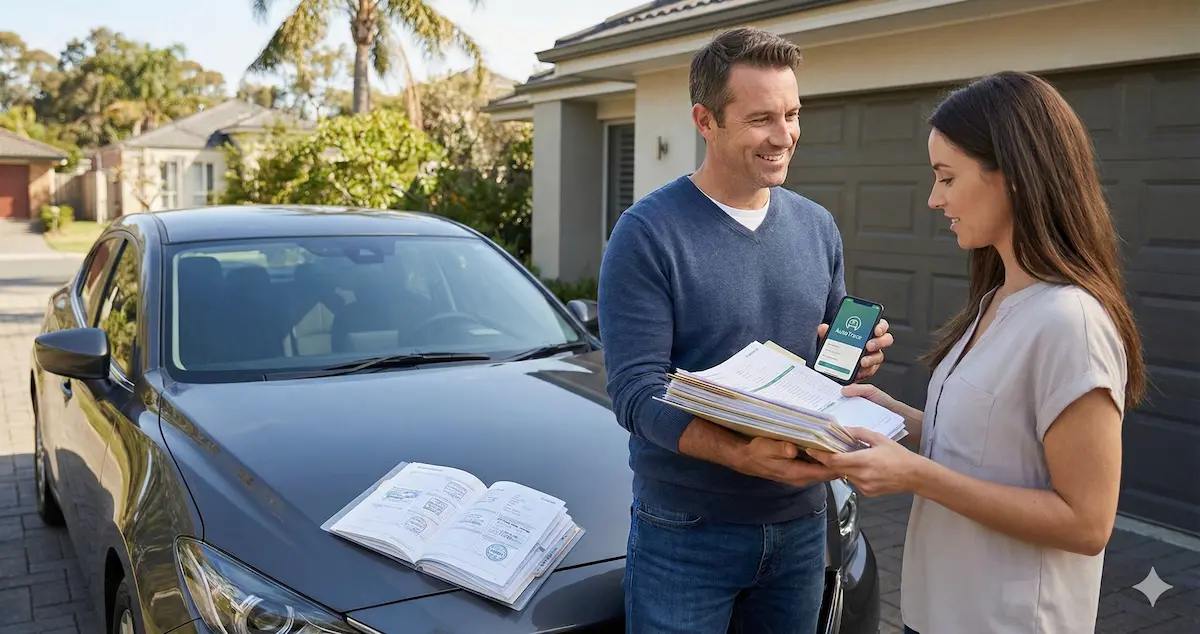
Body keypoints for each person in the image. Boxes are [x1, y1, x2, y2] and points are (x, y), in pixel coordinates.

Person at [807, 71, 1147, 634]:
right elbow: (989, 444)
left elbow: (1087, 523)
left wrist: (917, 476)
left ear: (1012, 175)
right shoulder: (998, 299)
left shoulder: (1072, 322)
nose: (934, 198)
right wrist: (895, 418)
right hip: (937, 612)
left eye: (947, 177)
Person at [598, 27, 895, 634]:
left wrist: (854, 356)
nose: (784, 136)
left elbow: (824, 357)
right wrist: (740, 454)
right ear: (704, 121)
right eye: (761, 119)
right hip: (688, 531)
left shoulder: (817, 226)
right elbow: (634, 390)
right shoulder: (647, 233)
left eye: (792, 114)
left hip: (804, 522)